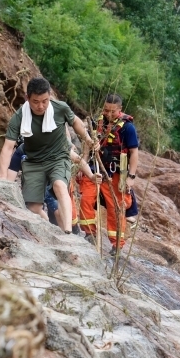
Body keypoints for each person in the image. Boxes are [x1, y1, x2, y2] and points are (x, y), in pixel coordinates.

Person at [0, 77, 92, 233]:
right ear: (27, 98)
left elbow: (75, 122)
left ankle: (67, 231)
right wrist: (2, 178)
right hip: (34, 161)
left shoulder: (60, 108)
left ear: (50, 96)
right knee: (33, 207)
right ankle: (49, 230)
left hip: (58, 158)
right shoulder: (20, 116)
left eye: (45, 101)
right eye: (35, 102)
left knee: (60, 184)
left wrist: (88, 139)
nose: (41, 106)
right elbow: (8, 147)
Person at [79, 94, 140, 249]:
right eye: (106, 110)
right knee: (86, 198)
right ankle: (89, 234)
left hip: (115, 173)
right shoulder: (98, 123)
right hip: (95, 169)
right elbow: (87, 146)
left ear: (120, 110)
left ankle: (117, 245)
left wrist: (131, 177)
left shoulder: (127, 128)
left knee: (116, 209)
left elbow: (134, 153)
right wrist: (83, 164)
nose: (109, 114)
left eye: (113, 111)